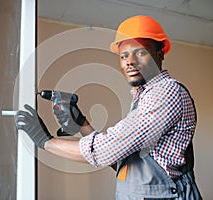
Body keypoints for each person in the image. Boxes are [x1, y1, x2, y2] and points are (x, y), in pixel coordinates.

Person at [15, 15, 202, 199]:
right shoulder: (143, 98)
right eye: (124, 55)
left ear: (159, 54)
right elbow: (121, 160)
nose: (130, 61)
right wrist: (81, 124)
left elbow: (107, 150)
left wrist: (44, 140)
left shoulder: (165, 92)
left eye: (141, 52)